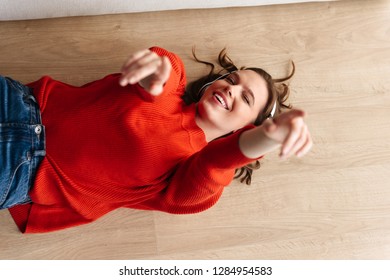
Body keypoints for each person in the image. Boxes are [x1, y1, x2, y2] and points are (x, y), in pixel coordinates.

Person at [0, 46, 312, 233]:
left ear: (247, 127)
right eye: (231, 79)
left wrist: (269, 138)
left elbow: (218, 161)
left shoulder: (193, 174)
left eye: (245, 98)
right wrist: (155, 75)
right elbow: (163, 67)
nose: (230, 89)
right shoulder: (173, 83)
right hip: (17, 103)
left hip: (20, 170)